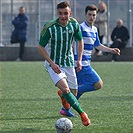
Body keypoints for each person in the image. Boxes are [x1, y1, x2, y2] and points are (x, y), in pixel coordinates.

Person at [59, 5, 120, 117]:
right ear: (85, 15)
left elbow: (98, 45)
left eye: (94, 15)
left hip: (84, 64)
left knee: (80, 90)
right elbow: (71, 41)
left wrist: (111, 50)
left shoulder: (94, 29)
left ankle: (65, 108)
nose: (92, 17)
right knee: (98, 84)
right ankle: (66, 94)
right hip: (81, 64)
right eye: (89, 15)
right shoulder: (80, 28)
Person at [38, 1, 90, 126]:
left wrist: (79, 60)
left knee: (73, 94)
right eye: (60, 13)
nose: (63, 16)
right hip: (54, 64)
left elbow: (80, 41)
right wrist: (51, 63)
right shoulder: (50, 27)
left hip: (69, 62)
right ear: (57, 13)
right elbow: (40, 47)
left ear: (70, 13)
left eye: (65, 13)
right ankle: (82, 114)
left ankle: (62, 94)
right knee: (66, 89)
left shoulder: (74, 24)